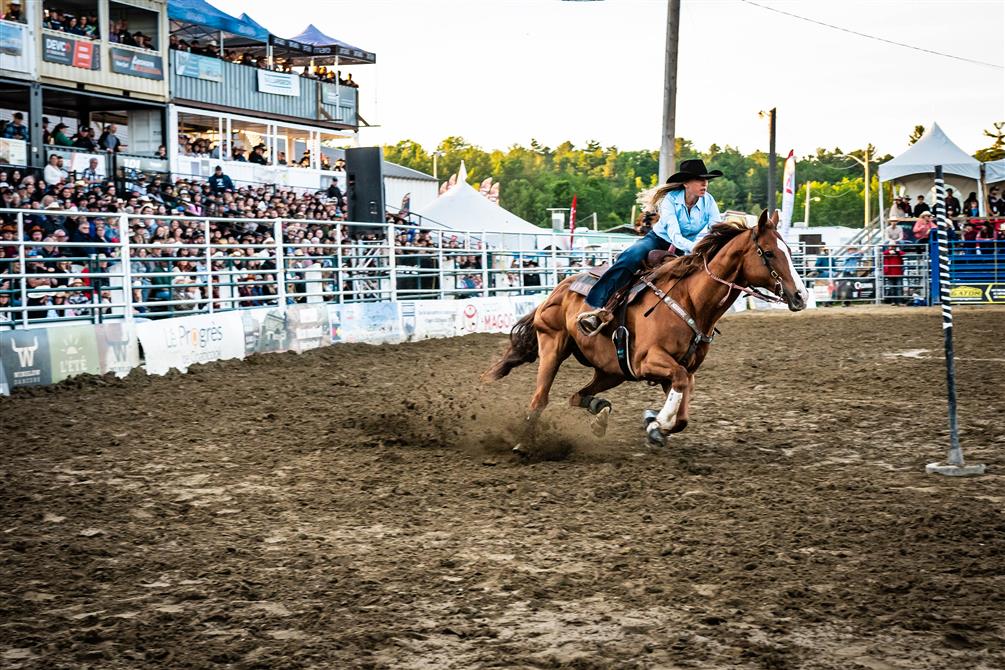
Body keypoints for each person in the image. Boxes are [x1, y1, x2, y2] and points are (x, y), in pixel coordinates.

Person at [577, 159, 723, 336]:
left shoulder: (709, 201)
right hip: (659, 239)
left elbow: (716, 230)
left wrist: (710, 248)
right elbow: (675, 235)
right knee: (630, 258)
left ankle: (699, 319)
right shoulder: (670, 199)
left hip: (687, 247)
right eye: (699, 180)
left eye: (706, 180)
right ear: (686, 183)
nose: (704, 183)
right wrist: (697, 248)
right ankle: (597, 306)